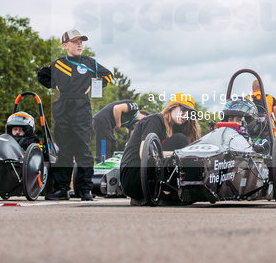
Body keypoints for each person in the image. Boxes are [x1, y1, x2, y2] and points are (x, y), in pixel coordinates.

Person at [37, 29, 112, 201]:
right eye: (75, 41)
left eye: (81, 41)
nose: (79, 44)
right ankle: (62, 190)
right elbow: (42, 75)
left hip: (81, 108)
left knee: (83, 150)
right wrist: (54, 85)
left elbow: (108, 75)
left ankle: (85, 190)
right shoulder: (57, 64)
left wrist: (94, 85)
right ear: (65, 45)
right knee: (64, 151)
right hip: (63, 107)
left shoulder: (90, 62)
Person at [120, 94, 201, 205]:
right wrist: (178, 155)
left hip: (145, 182)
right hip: (133, 178)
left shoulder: (174, 130)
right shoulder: (155, 120)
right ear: (172, 107)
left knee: (183, 142)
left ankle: (169, 193)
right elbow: (144, 154)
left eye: (188, 113)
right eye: (182, 110)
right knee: (181, 140)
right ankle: (168, 192)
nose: (185, 115)